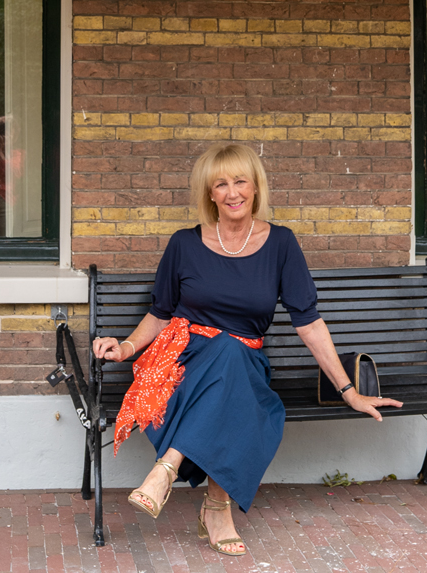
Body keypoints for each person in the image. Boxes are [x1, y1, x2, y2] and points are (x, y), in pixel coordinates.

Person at [92, 143, 402, 557]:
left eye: (240, 181)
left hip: (243, 361)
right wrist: (127, 347)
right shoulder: (184, 244)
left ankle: (167, 468)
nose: (232, 192)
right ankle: (216, 509)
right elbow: (161, 313)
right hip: (182, 363)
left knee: (232, 356)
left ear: (256, 187)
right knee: (231, 366)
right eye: (221, 184)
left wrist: (349, 391)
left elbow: (309, 322)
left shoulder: (281, 244)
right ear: (210, 193)